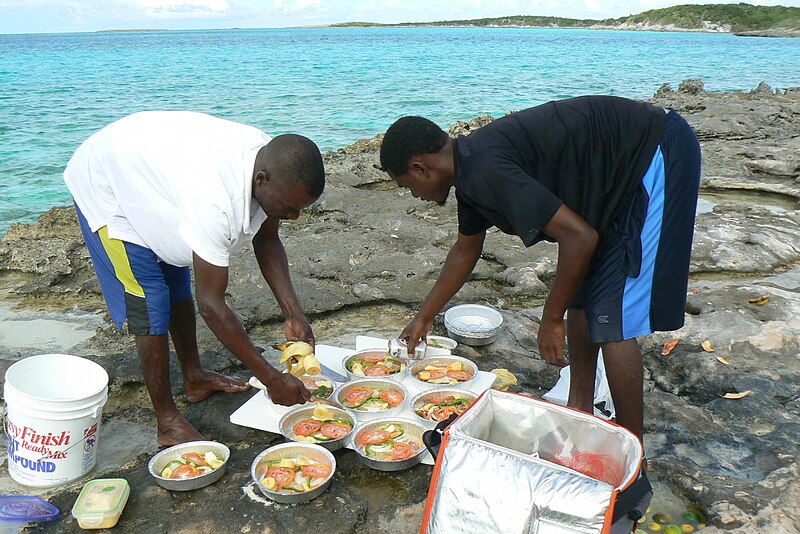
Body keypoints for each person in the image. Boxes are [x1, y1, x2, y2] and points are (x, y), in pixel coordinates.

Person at [379, 96, 701, 445]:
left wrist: (551, 318)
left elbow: (578, 237)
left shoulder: (486, 168)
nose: (414, 195)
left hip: (654, 151)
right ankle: (580, 411)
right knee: (582, 294)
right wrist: (424, 317)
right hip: (609, 190)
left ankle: (632, 457)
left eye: (408, 186)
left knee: (613, 317)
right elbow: (465, 250)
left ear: (420, 167)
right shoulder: (470, 175)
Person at [64, 111, 324, 445]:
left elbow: (268, 239)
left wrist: (294, 314)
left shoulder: (272, 164)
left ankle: (194, 377)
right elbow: (212, 306)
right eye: (289, 207)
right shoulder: (215, 202)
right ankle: (167, 422)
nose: (293, 216)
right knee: (151, 299)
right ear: (261, 180)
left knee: (176, 276)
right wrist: (272, 379)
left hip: (156, 173)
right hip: (105, 184)